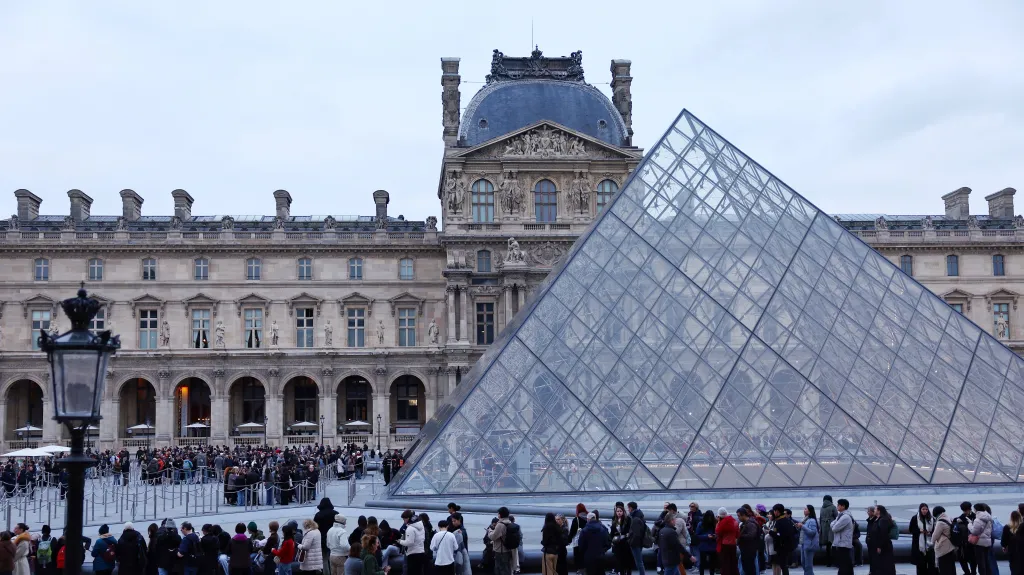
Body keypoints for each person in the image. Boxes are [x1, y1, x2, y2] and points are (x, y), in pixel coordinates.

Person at [869, 506, 897, 575]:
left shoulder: (883, 520)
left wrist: (879, 546)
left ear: (879, 511)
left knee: (885, 565)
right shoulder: (878, 519)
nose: (874, 511)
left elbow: (883, 534)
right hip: (879, 545)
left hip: (884, 546)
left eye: (875, 509)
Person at [909, 503, 936, 575]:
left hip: (930, 545)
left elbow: (934, 530)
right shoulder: (915, 518)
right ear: (920, 510)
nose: (925, 511)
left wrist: (929, 532)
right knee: (920, 565)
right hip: (919, 545)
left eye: (926, 509)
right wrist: (920, 531)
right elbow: (911, 529)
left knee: (931, 564)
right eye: (923, 509)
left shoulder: (931, 518)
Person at [770, 504, 796, 575]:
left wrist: (770, 532)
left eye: (774, 511)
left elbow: (779, 535)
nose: (774, 513)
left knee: (783, 565)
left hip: (782, 546)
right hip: (784, 546)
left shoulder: (781, 521)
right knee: (783, 565)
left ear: (777, 511)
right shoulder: (784, 520)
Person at [316, 498, 340, 575]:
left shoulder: (318, 515)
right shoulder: (336, 514)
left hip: (322, 540)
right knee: (334, 559)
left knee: (324, 559)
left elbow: (315, 528)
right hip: (334, 539)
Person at [489, 507, 516, 575]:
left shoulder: (500, 524)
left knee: (500, 569)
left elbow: (493, 537)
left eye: (498, 513)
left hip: (500, 551)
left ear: (500, 515)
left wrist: (489, 532)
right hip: (508, 549)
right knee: (507, 569)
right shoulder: (509, 522)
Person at [830, 499, 853, 575]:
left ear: (843, 506)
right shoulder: (840, 515)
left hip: (843, 543)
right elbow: (832, 523)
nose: (837, 506)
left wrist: (835, 524)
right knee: (845, 564)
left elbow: (834, 528)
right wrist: (835, 524)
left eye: (838, 505)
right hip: (841, 543)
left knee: (844, 564)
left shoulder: (845, 517)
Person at [400, 509, 427, 575]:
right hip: (421, 551)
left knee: (412, 572)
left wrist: (400, 541)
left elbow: (409, 542)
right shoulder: (421, 526)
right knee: (419, 571)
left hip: (412, 554)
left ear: (408, 518)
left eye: (404, 519)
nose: (404, 521)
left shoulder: (410, 528)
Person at [970, 504, 994, 575]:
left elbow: (974, 532)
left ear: (976, 509)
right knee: (987, 561)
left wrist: (970, 525)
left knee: (981, 563)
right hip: (987, 542)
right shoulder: (989, 518)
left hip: (979, 543)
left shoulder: (978, 519)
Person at [794, 506, 818, 575]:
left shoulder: (812, 520)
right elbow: (803, 531)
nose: (804, 510)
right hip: (803, 544)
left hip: (809, 545)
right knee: (803, 563)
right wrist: (799, 527)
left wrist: (802, 526)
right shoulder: (805, 520)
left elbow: (812, 532)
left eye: (805, 509)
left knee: (808, 565)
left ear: (809, 511)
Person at [715, 508, 738, 575]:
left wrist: (718, 522)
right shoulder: (734, 521)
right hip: (733, 544)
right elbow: (737, 534)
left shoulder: (721, 523)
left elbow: (717, 532)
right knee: (733, 563)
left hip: (724, 545)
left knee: (725, 564)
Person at [934, 507, 956, 575]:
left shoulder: (940, 522)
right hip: (951, 545)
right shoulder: (948, 518)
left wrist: (932, 542)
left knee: (944, 566)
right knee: (951, 565)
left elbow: (935, 535)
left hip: (943, 547)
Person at [611, 506, 633, 575]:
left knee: (627, 561)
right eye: (617, 511)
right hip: (618, 544)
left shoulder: (628, 519)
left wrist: (624, 534)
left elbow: (630, 530)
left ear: (623, 512)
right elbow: (612, 532)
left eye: (620, 511)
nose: (619, 513)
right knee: (619, 561)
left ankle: (628, 572)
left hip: (626, 543)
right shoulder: (614, 520)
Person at [626, 503, 647, 575]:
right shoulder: (640, 516)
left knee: (639, 562)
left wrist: (630, 541)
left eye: (628, 508)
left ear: (631, 508)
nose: (628, 510)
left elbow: (636, 533)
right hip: (639, 542)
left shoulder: (635, 519)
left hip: (636, 544)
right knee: (639, 561)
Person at [1002, 511, 1024, 575]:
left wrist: (1004, 546)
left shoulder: (1007, 527)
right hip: (1022, 550)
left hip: (1012, 551)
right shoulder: (1022, 526)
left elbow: (1004, 540)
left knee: (1014, 567)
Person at [738, 509, 760, 575]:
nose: (738, 518)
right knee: (746, 567)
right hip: (746, 549)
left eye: (739, 516)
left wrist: (740, 536)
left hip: (749, 549)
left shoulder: (750, 524)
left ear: (744, 515)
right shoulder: (745, 523)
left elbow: (751, 535)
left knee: (749, 568)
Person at [696, 511, 718, 575]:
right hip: (704, 546)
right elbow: (697, 536)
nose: (710, 519)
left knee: (712, 563)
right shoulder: (700, 524)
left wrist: (715, 536)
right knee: (703, 563)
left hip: (712, 546)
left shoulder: (715, 523)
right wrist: (706, 536)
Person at [959, 503, 978, 575]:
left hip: (972, 541)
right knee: (962, 559)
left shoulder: (975, 517)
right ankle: (967, 572)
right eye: (964, 510)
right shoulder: (961, 517)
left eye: (966, 510)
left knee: (973, 560)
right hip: (964, 541)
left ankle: (973, 572)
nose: (965, 512)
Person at [569, 504, 588, 575]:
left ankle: (580, 571)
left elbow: (572, 532)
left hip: (577, 543)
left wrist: (568, 540)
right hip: (587, 542)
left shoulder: (576, 520)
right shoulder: (588, 518)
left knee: (578, 558)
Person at [819, 497, 837, 567]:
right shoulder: (833, 507)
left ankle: (828, 562)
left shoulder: (822, 508)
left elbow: (820, 518)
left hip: (824, 527)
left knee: (827, 546)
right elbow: (837, 517)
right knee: (833, 543)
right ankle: (835, 562)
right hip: (831, 526)